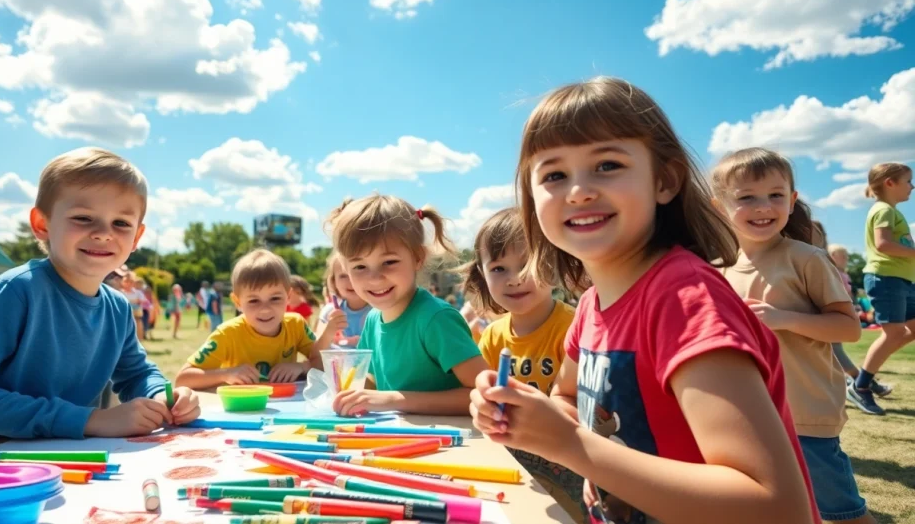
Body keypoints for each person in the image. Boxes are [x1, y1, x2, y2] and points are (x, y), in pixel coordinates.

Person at [469, 78, 818, 524]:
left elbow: (775, 507)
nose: (578, 190)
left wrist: (570, 444)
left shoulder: (686, 301)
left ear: (664, 181)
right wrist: (525, 413)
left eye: (607, 165)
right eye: (554, 175)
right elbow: (569, 397)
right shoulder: (592, 305)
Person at [0, 147, 200, 452]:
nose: (103, 233)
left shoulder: (118, 308)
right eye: (83, 218)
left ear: (137, 237)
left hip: (59, 466)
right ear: (42, 224)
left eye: (121, 223)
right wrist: (89, 420)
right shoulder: (17, 291)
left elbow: (137, 373)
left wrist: (160, 395)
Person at [712, 147, 872, 524]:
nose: (763, 206)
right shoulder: (720, 269)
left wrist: (782, 318)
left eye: (775, 195)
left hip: (805, 412)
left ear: (792, 200)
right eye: (746, 197)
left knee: (842, 511)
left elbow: (848, 328)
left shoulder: (806, 258)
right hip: (748, 417)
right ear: (719, 206)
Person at [461, 207, 583, 519]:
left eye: (527, 263)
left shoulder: (573, 328)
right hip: (517, 468)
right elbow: (482, 395)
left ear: (554, 261)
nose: (515, 279)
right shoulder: (492, 336)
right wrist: (482, 406)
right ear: (482, 275)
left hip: (571, 468)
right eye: (499, 268)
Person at [325, 195, 489, 417]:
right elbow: (375, 379)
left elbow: (484, 395)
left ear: (417, 257)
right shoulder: (373, 319)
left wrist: (394, 399)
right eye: (359, 266)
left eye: (389, 262)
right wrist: (353, 394)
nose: (375, 278)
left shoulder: (436, 319)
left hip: (451, 444)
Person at [176, 249, 320, 388]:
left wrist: (302, 367)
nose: (265, 309)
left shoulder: (296, 325)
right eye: (253, 301)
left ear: (288, 297)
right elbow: (182, 379)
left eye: (275, 298)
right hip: (242, 410)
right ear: (238, 302)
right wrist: (226, 374)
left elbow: (328, 363)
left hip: (287, 409)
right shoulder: (227, 334)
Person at [847, 162, 915, 416]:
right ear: (890, 183)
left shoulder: (891, 211)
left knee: (906, 330)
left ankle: (866, 376)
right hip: (886, 279)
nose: (912, 186)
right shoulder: (884, 210)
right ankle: (861, 386)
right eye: (908, 181)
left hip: (901, 280)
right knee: (894, 333)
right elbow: (883, 244)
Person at [827, 243, 893, 397]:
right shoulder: (830, 272)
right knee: (836, 352)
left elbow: (848, 296)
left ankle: (860, 382)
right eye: (841, 256)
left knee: (835, 353)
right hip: (831, 315)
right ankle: (863, 382)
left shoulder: (844, 275)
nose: (845, 259)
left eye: (846, 256)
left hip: (838, 315)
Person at [315, 251, 372, 349]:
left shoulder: (380, 311)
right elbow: (316, 351)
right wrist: (329, 330)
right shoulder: (329, 311)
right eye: (343, 276)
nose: (350, 280)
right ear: (334, 282)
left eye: (357, 272)